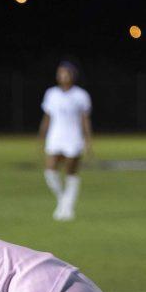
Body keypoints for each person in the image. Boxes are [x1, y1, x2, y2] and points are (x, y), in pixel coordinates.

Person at [39, 62, 92, 222]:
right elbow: (47, 116)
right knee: (50, 170)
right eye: (60, 73)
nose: (62, 76)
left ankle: (68, 207)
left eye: (65, 73)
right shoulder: (51, 93)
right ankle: (63, 200)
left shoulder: (81, 95)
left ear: (72, 76)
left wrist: (88, 140)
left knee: (71, 172)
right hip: (55, 136)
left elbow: (85, 120)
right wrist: (42, 135)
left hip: (73, 137)